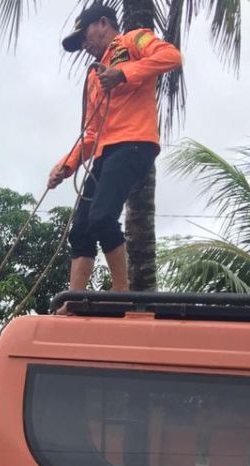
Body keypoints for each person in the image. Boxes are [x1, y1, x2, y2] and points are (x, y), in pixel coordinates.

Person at [47, 3, 182, 292]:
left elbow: (171, 56)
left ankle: (122, 294)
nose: (84, 45)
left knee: (102, 217)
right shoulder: (94, 76)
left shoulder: (133, 40)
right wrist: (66, 166)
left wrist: (123, 74)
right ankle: (75, 299)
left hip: (135, 144)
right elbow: (91, 131)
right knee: (81, 229)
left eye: (85, 37)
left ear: (104, 24)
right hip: (104, 153)